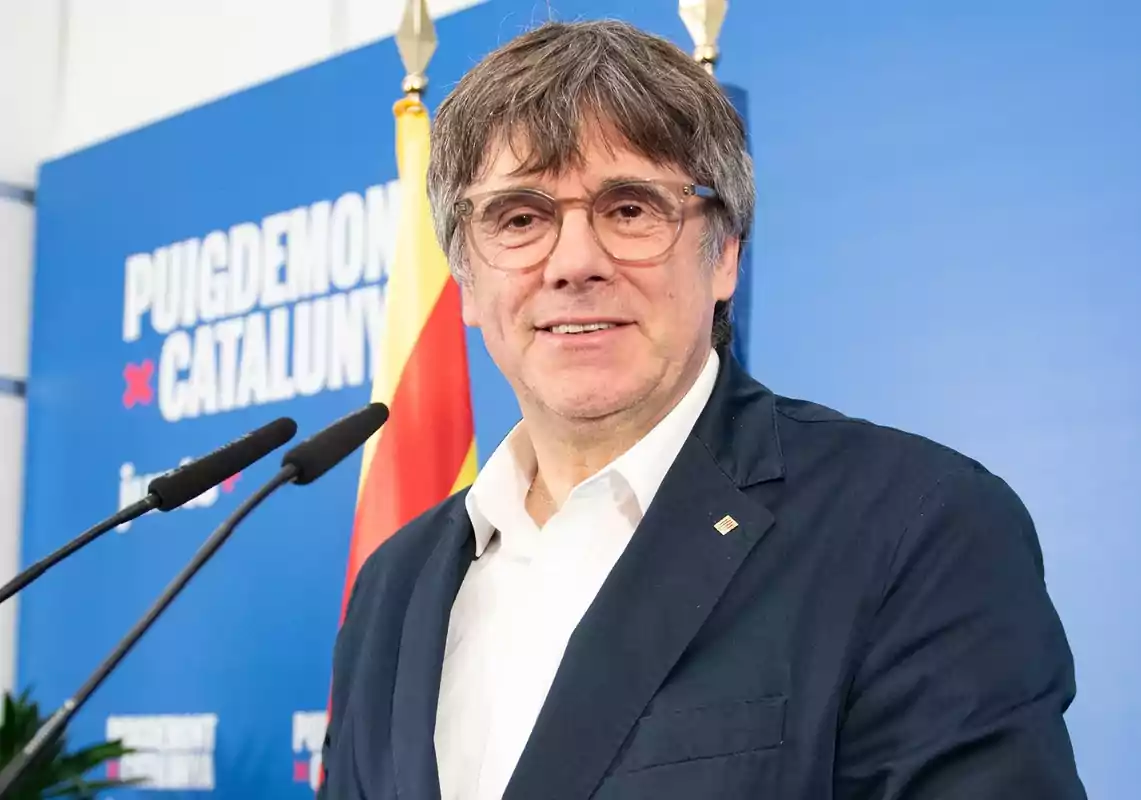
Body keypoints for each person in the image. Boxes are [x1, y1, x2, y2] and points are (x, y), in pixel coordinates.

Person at [319, 19, 1086, 800]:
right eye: (520, 218)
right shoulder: (395, 583)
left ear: (723, 254)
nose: (575, 263)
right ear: (468, 281)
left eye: (630, 210)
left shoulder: (915, 526)